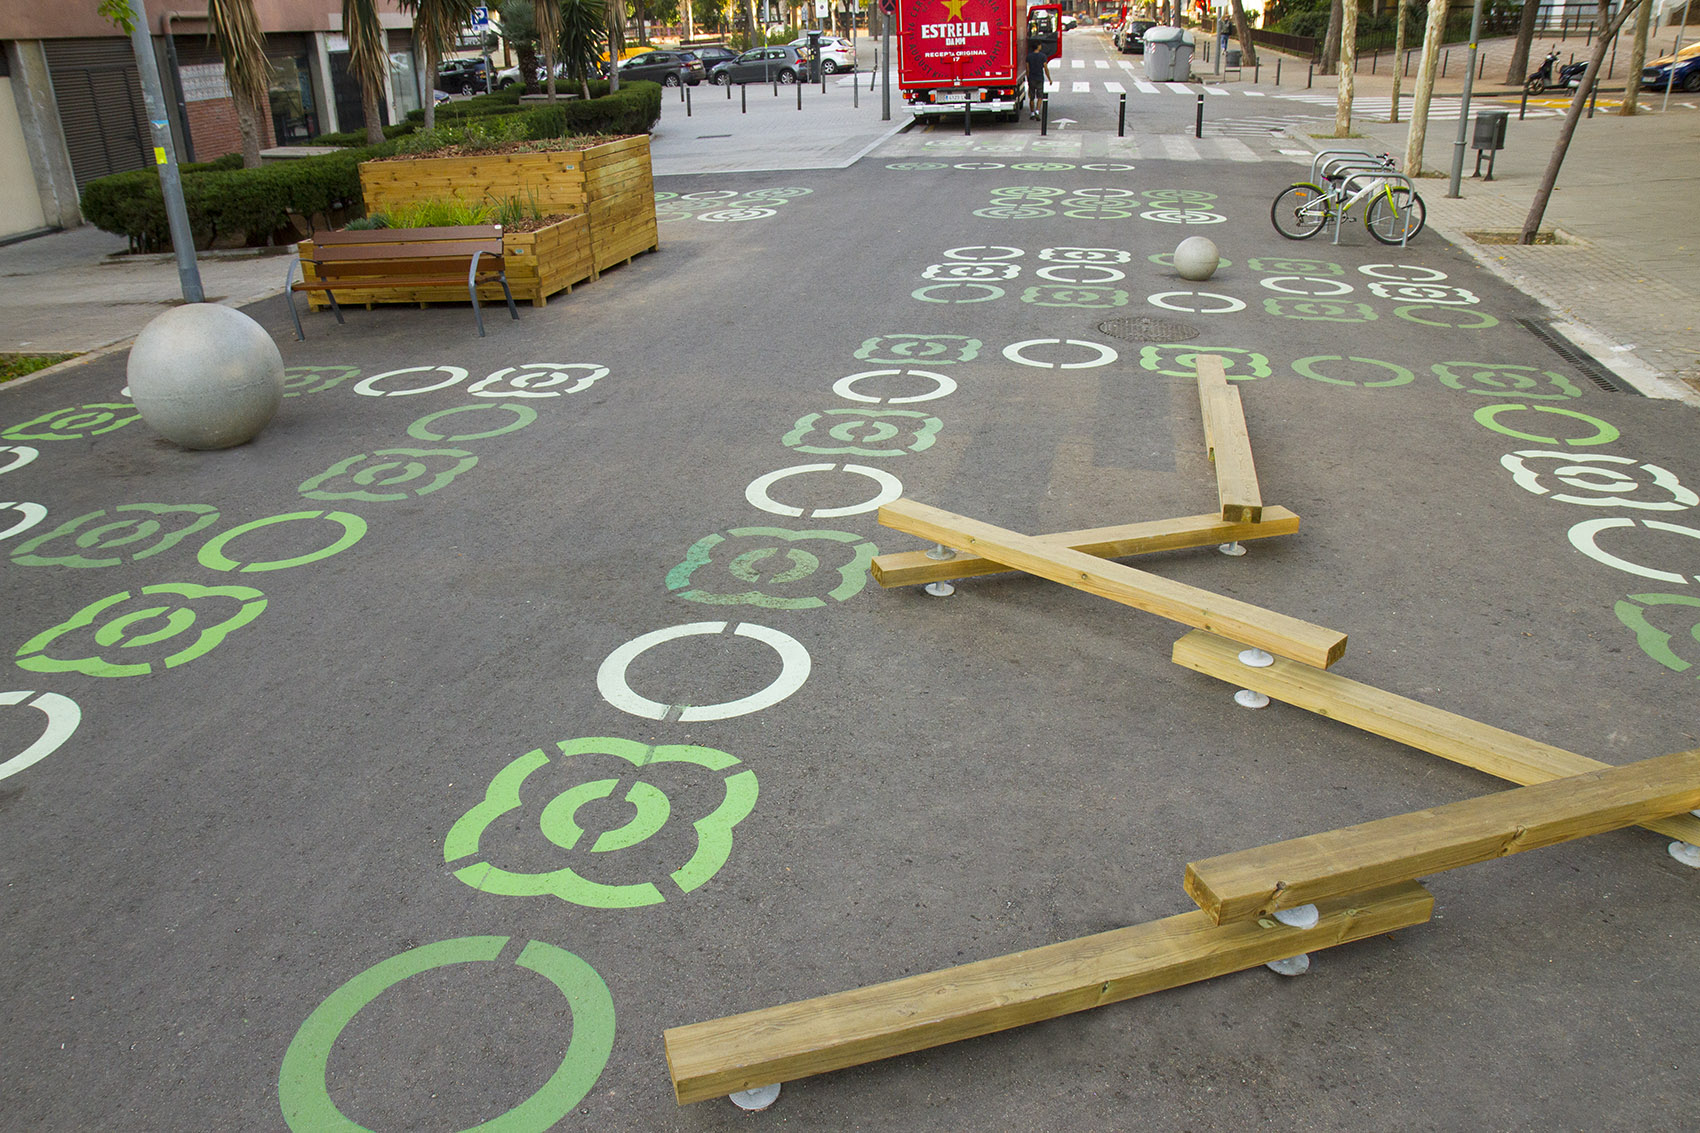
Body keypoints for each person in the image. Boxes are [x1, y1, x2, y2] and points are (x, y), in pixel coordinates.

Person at [1026, 44, 1051, 120]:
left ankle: (1032, 113)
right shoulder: (1043, 56)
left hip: (1032, 78)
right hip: (1039, 78)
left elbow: (1027, 69)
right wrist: (1049, 79)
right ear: (1038, 46)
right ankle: (1037, 111)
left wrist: (1028, 79)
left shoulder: (1029, 56)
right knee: (1040, 96)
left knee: (1031, 97)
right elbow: (1046, 68)